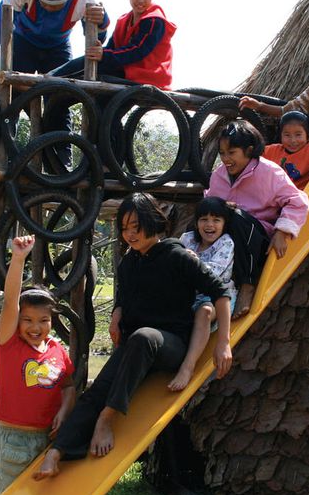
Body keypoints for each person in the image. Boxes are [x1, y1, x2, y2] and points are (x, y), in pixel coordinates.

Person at [36, 193, 232, 477]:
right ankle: (56, 453)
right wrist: (116, 313)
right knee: (98, 389)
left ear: (152, 222)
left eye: (136, 226)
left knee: (143, 337)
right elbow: (124, 299)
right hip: (137, 346)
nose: (129, 234)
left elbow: (221, 294)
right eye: (125, 228)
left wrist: (223, 343)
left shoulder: (177, 256)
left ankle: (107, 418)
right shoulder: (129, 263)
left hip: (172, 344)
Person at [0, 235, 86, 495]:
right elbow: (10, 303)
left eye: (43, 320)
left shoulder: (58, 351)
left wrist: (65, 411)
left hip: (50, 445)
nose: (34, 326)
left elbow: (67, 388)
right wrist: (18, 260)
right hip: (14, 439)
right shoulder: (9, 343)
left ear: (52, 322)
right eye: (28, 320)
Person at [205, 120, 309, 319]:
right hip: (227, 239)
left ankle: (248, 286)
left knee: (234, 215)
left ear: (249, 150)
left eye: (232, 152)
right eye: (222, 153)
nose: (226, 159)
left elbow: (298, 201)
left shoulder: (269, 172)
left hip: (257, 239)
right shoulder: (219, 175)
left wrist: (282, 231)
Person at [50, 0, 177, 89]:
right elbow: (112, 47)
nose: (141, 0)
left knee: (94, 68)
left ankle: (51, 78)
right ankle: (52, 79)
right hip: (128, 71)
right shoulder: (123, 21)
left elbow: (138, 50)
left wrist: (104, 55)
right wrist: (100, 51)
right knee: (89, 63)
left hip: (149, 76)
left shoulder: (154, 20)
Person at [170, 196, 237, 392]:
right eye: (204, 220)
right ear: (197, 222)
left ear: (224, 223)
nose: (209, 225)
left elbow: (212, 275)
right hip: (187, 294)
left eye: (216, 220)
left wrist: (191, 261)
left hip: (215, 296)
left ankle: (187, 367)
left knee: (205, 312)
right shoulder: (187, 239)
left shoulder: (226, 243)